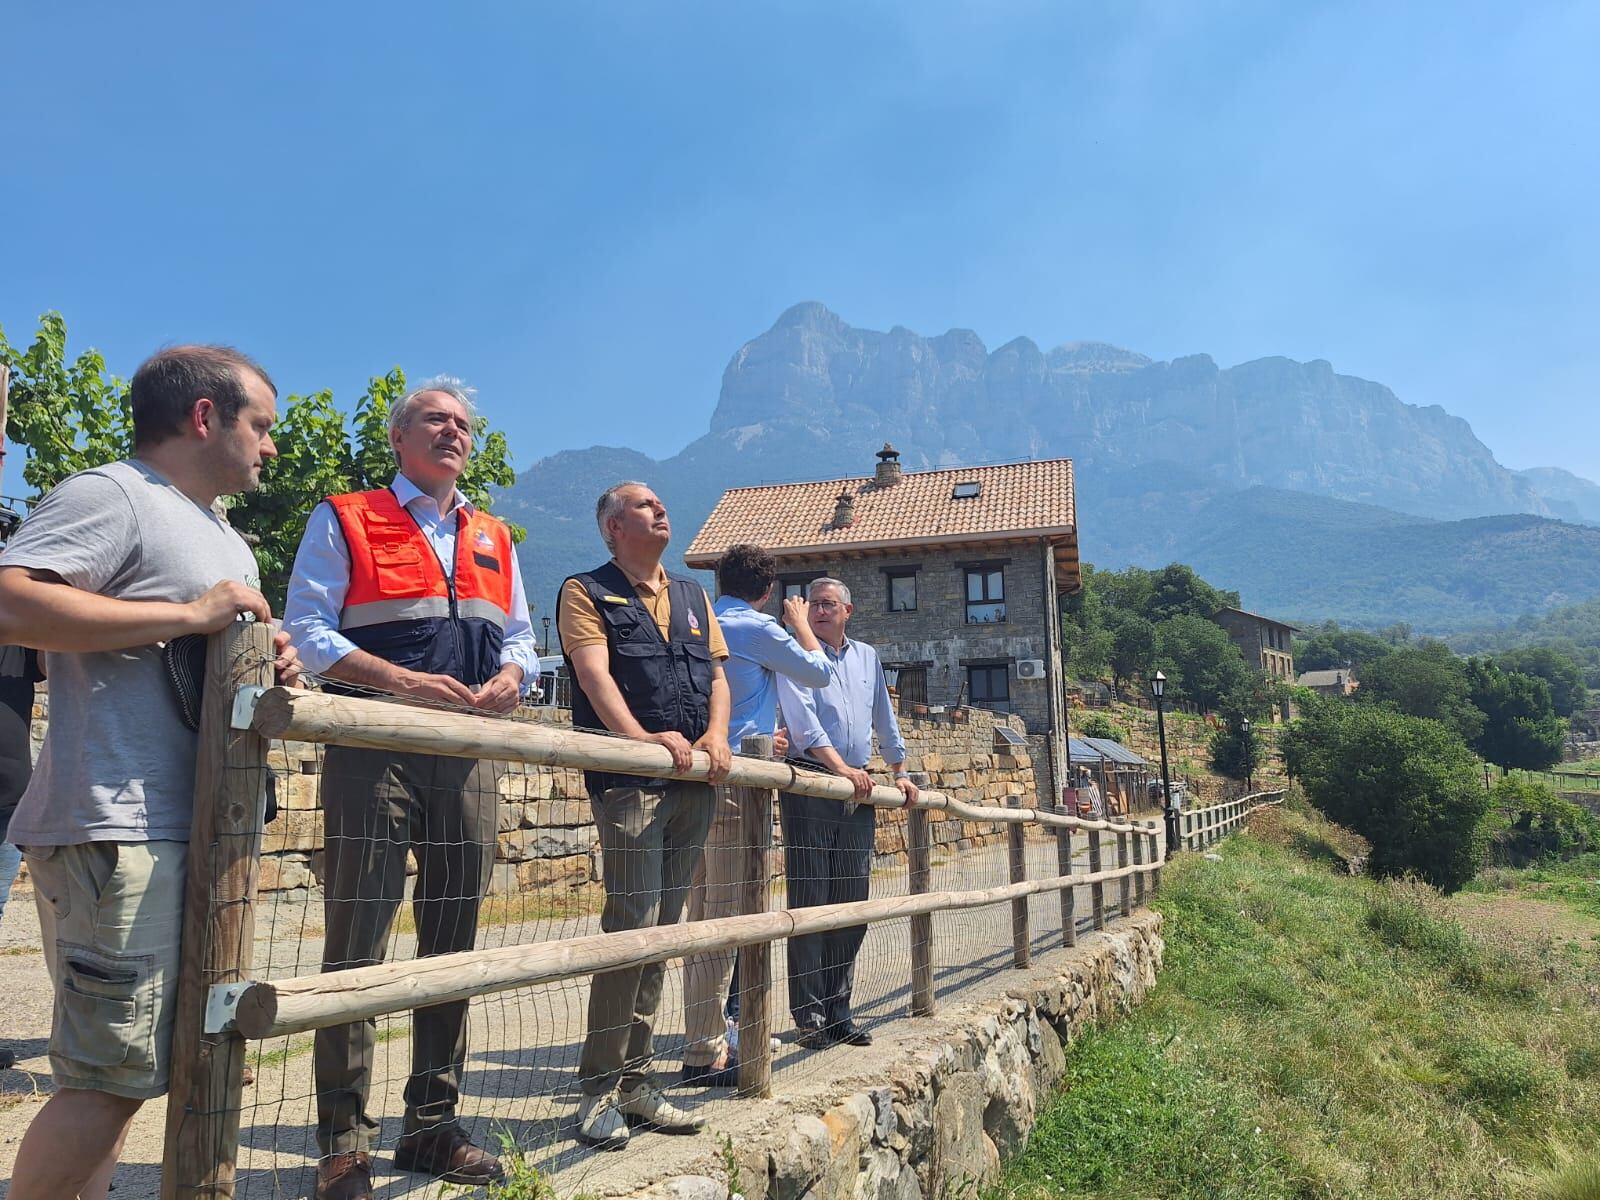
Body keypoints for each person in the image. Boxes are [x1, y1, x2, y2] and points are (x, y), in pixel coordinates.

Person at [0, 345, 299, 1200]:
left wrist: (254, 655)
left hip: (185, 824)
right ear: (204, 417)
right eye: (261, 426)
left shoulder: (221, 534)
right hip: (117, 826)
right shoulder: (113, 493)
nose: (270, 447)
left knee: (135, 1074)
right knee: (108, 1077)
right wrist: (191, 614)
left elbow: (192, 641)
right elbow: (11, 601)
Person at [282, 377, 537, 1199]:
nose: (453, 431)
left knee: (453, 942)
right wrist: (399, 680)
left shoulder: (495, 534)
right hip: (374, 747)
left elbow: (525, 640)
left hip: (467, 752)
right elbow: (309, 630)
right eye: (437, 419)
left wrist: (512, 676)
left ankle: (431, 1127)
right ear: (399, 438)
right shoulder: (346, 515)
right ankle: (342, 1146)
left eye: (464, 422)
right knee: (357, 941)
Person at [558, 481, 732, 1146]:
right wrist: (640, 741)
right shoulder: (585, 589)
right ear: (612, 527)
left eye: (663, 501)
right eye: (643, 504)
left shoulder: (692, 594)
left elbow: (718, 677)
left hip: (695, 783)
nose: (661, 508)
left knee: (661, 932)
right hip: (631, 781)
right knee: (629, 925)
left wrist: (717, 738)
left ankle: (638, 1084)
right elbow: (593, 676)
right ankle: (599, 1090)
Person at [679, 544, 830, 1088]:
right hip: (738, 777)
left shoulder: (695, 618)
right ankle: (705, 1051)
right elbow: (817, 673)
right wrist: (797, 624)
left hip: (694, 772)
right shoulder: (755, 626)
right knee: (729, 913)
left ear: (720, 579)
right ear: (767, 590)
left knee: (701, 909)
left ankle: (705, 1033)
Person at [775, 578, 917, 1049]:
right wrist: (839, 769)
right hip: (811, 782)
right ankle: (810, 1015)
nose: (819, 610)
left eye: (828, 604)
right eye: (813, 604)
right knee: (812, 899)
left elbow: (883, 714)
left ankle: (840, 1009)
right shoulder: (796, 653)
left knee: (852, 902)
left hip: (858, 785)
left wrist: (899, 768)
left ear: (847, 610)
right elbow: (803, 720)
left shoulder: (866, 657)